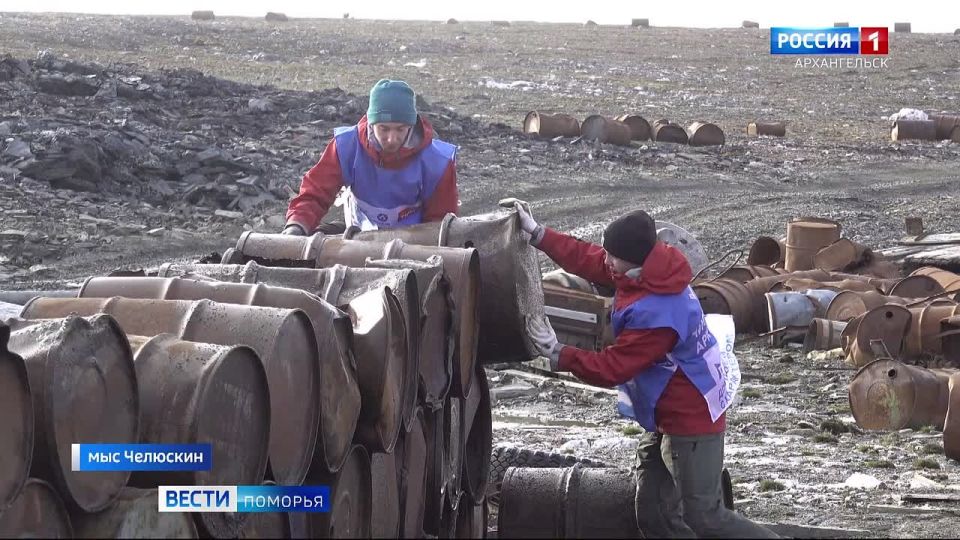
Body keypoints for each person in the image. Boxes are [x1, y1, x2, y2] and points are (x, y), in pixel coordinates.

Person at [516, 202, 777, 539]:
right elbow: (591, 258)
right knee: (653, 512)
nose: (606, 261)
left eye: (613, 256)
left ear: (634, 258)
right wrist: (538, 234)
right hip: (664, 410)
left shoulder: (660, 313)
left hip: (691, 417)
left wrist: (558, 353)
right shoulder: (645, 267)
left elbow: (613, 367)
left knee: (705, 518)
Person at [282, 79, 459, 235]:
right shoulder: (346, 146)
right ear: (371, 123)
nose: (391, 139)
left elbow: (440, 224)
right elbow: (316, 192)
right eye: (384, 128)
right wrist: (297, 226)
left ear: (411, 126)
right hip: (356, 238)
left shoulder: (437, 163)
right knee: (315, 240)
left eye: (400, 129)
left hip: (412, 246)